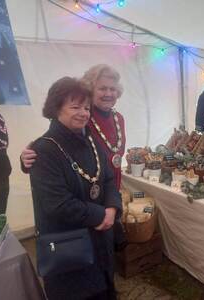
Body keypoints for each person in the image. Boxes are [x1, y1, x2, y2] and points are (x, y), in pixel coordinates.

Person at [29, 77, 121, 300]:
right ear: (56, 108)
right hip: (69, 249)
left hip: (100, 241)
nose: (83, 113)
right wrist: (102, 215)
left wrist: (112, 208)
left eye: (87, 107)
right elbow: (57, 204)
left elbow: (108, 178)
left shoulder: (89, 139)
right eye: (75, 107)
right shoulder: (44, 150)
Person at [21, 64, 127, 249]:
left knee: (105, 251)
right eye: (102, 88)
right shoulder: (82, 122)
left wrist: (111, 206)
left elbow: (110, 166)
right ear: (92, 89)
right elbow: (52, 150)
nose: (108, 93)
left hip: (105, 191)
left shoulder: (118, 119)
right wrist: (26, 159)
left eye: (112, 88)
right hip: (79, 211)